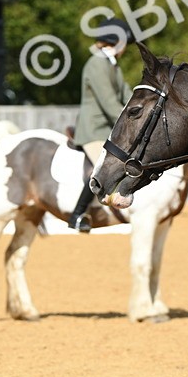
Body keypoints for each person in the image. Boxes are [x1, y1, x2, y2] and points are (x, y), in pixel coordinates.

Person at [67, 18, 135, 232]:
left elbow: (128, 96)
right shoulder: (96, 63)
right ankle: (77, 214)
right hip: (94, 129)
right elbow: (109, 103)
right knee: (104, 167)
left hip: (108, 129)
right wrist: (132, 124)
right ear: (115, 42)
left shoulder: (112, 65)